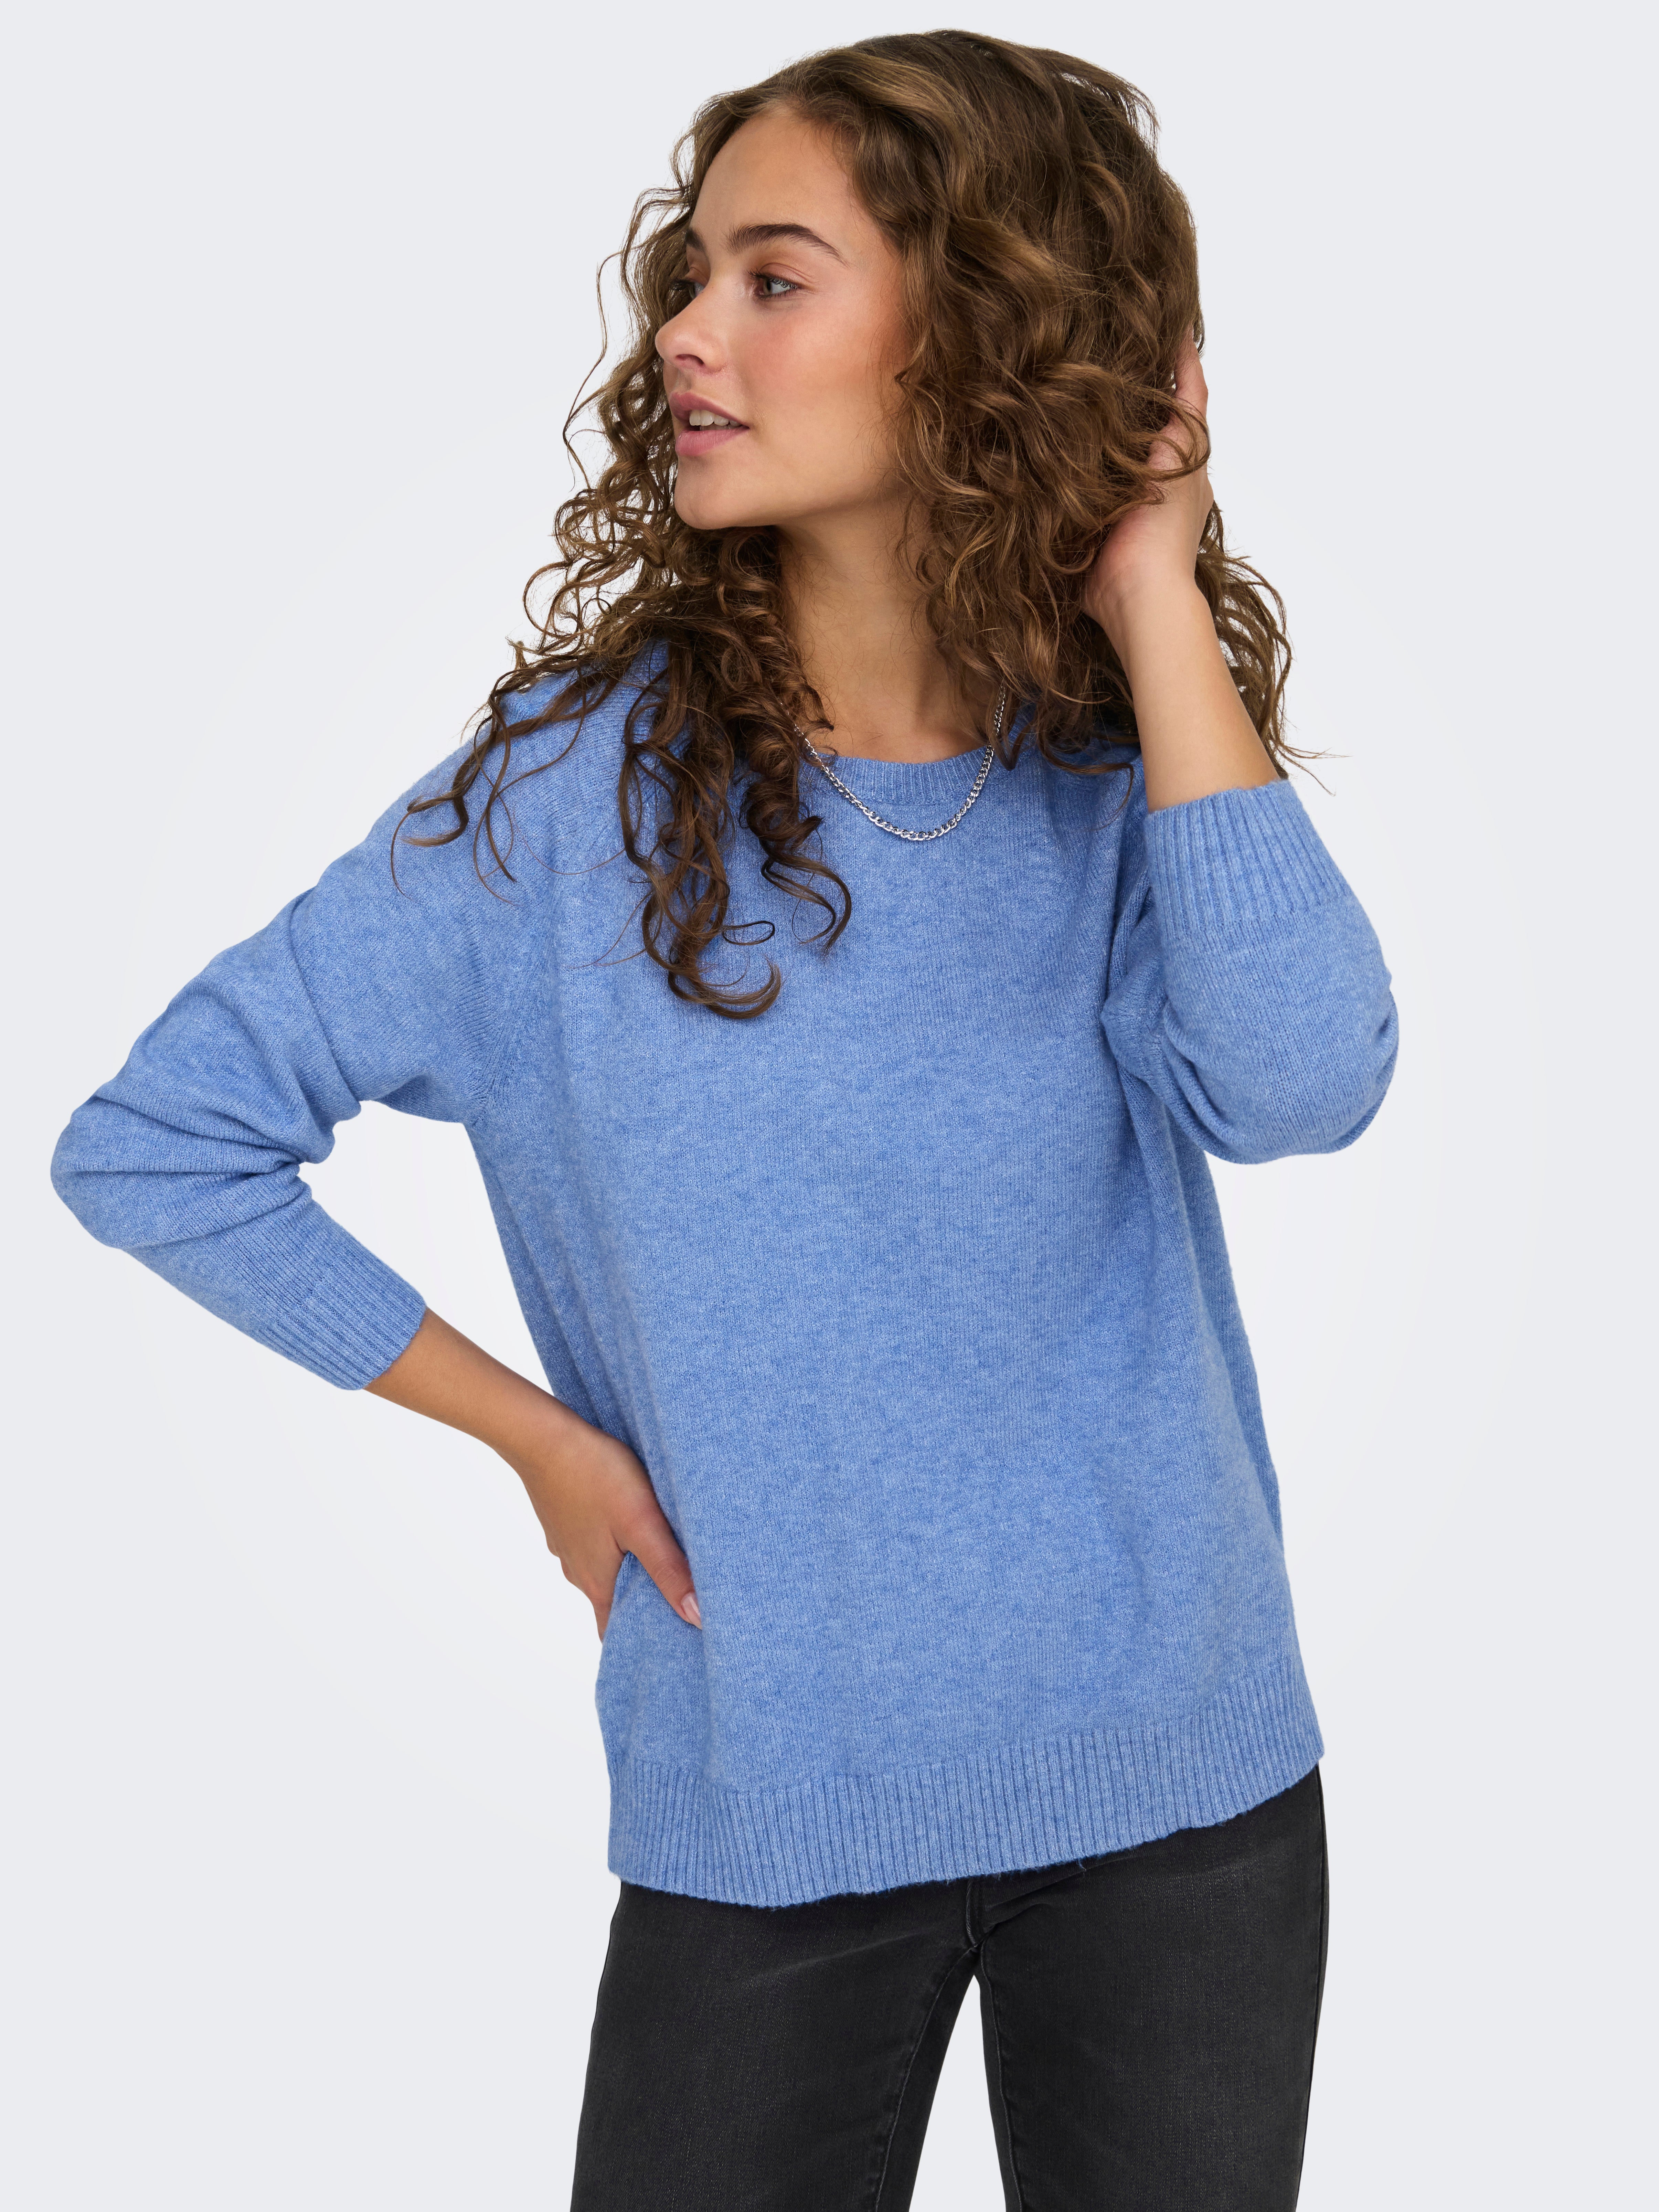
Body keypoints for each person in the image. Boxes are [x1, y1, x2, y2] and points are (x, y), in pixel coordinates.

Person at [51, 30, 1397, 2211]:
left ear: (987, 331)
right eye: (692, 275)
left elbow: (1305, 1086)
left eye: (772, 279)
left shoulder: (1117, 773)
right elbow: (155, 1141)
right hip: (770, 1797)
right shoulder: (556, 815)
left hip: (1184, 1789)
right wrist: (537, 1439)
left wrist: (1153, 592)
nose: (684, 329)